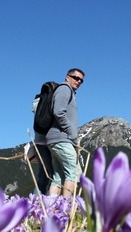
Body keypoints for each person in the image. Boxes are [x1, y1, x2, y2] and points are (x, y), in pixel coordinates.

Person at [46, 68, 84, 197]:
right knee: (74, 173)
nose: (78, 81)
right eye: (76, 78)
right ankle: (66, 208)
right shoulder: (65, 89)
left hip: (56, 139)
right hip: (62, 138)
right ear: (67, 77)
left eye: (81, 80)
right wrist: (71, 133)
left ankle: (52, 207)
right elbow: (59, 112)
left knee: (59, 176)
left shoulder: (68, 91)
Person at [32, 82, 57, 195]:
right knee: (52, 173)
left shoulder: (37, 102)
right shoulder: (49, 102)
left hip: (38, 142)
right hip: (49, 141)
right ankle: (51, 200)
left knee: (43, 173)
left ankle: (37, 199)